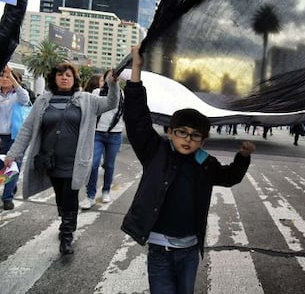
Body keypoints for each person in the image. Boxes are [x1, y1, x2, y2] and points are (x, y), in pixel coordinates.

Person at [121, 46, 255, 294]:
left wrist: (243, 157)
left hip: (190, 250)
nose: (187, 139)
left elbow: (229, 177)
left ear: (203, 141)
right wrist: (137, 70)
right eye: (181, 132)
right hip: (159, 249)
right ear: (170, 133)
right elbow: (136, 118)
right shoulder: (155, 152)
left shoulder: (205, 162)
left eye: (195, 136)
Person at [4, 63, 120, 254]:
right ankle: (66, 219)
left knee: (70, 196)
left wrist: (113, 84)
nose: (64, 78)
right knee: (60, 196)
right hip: (50, 160)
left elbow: (111, 103)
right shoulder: (43, 100)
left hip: (74, 162)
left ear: (74, 79)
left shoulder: (87, 99)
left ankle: (67, 235)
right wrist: (13, 154)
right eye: (60, 75)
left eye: (68, 75)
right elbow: (27, 129)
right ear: (54, 78)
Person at [80, 71, 125, 209]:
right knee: (93, 164)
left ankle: (106, 191)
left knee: (109, 165)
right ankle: (90, 195)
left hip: (115, 134)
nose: (113, 79)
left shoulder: (122, 94)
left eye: (115, 77)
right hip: (97, 133)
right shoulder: (96, 92)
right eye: (110, 77)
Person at [0, 65, 30, 210]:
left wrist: (10, 74)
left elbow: (25, 99)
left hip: (15, 138)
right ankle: (11, 185)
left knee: (11, 167)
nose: (4, 79)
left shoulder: (18, 95)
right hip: (0, 137)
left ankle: (7, 197)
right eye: (2, 76)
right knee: (2, 167)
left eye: (7, 77)